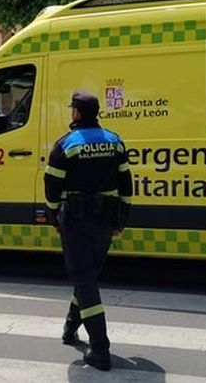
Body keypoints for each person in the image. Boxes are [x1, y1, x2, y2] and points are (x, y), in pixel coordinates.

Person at [43, 90, 132, 371]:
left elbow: (52, 187)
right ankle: (71, 327)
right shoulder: (115, 141)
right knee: (87, 276)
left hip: (76, 221)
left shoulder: (66, 144)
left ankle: (100, 348)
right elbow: (126, 183)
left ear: (77, 113)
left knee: (83, 278)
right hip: (106, 219)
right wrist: (122, 219)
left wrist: (53, 216)